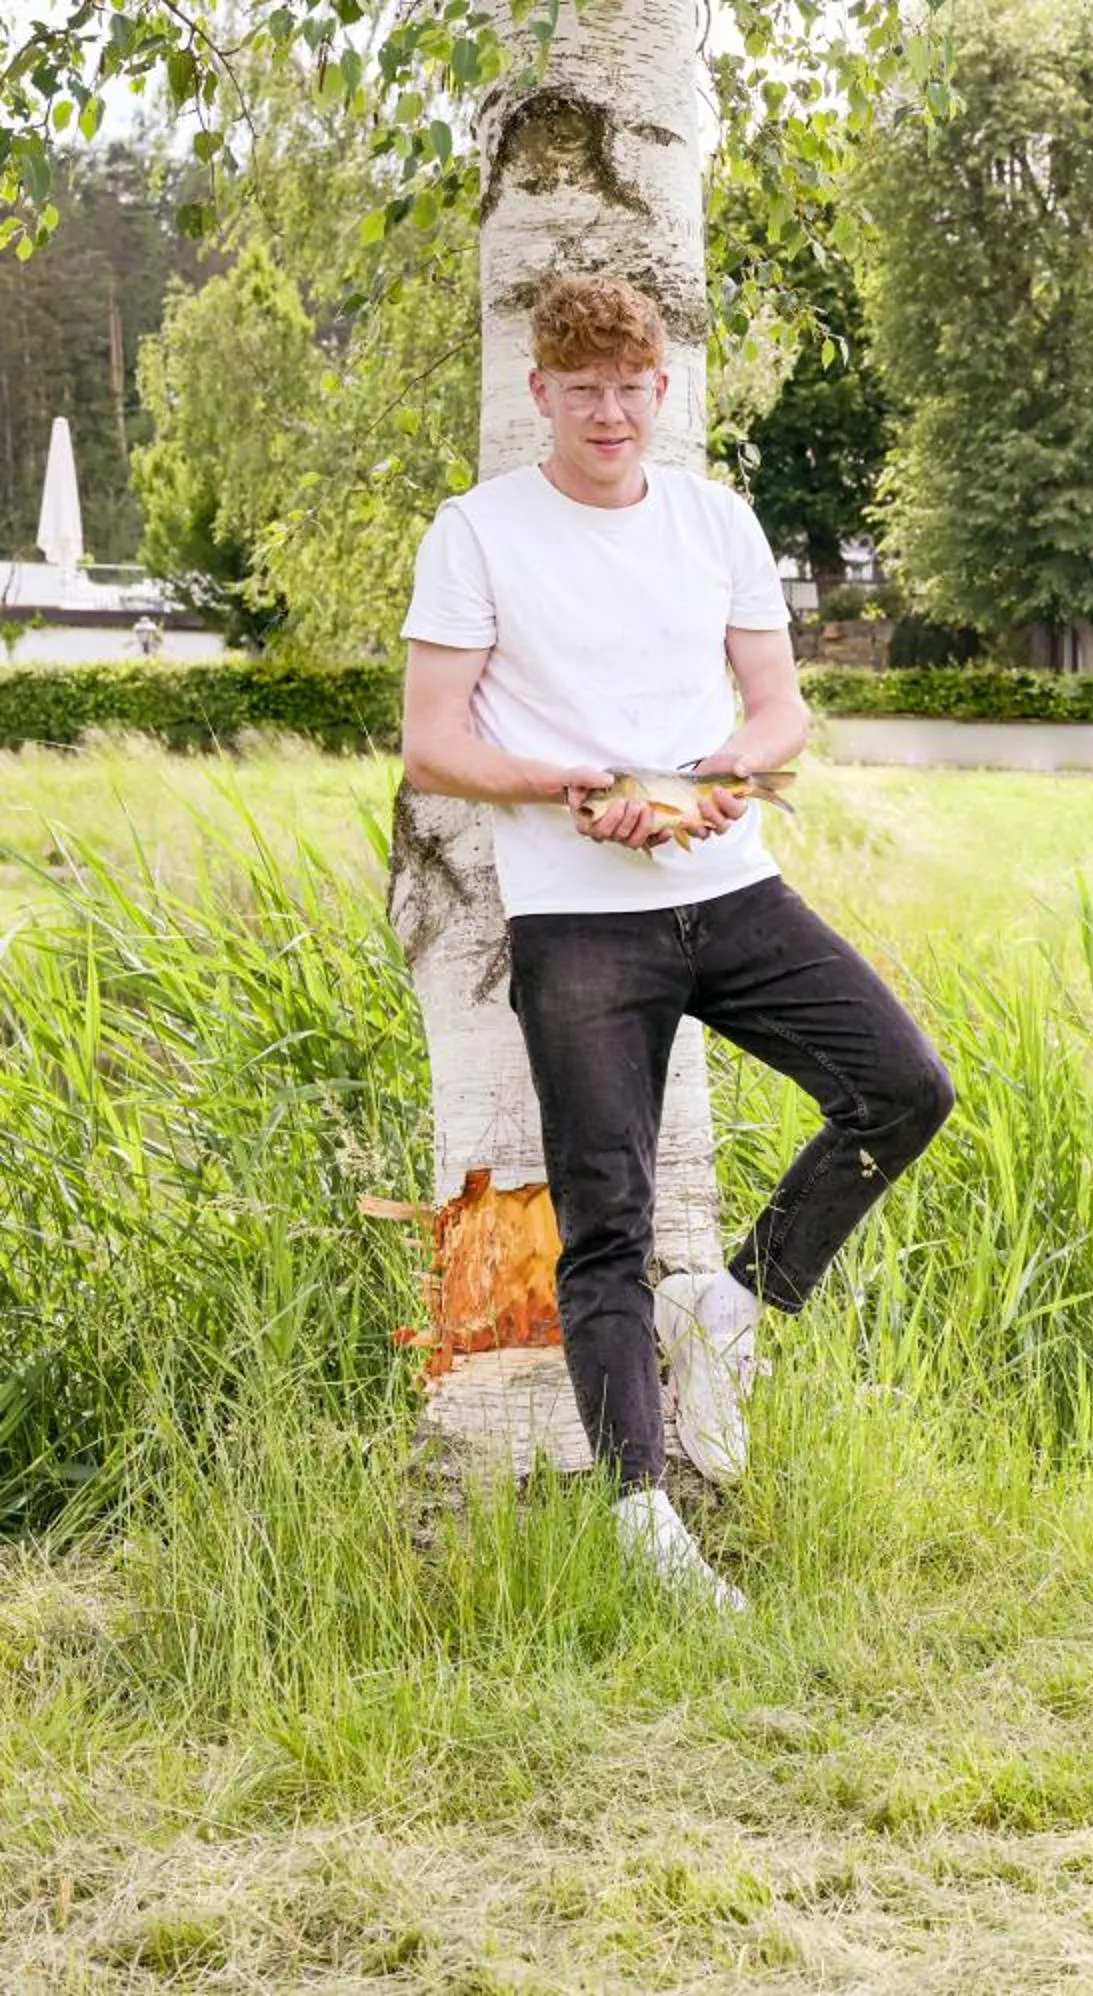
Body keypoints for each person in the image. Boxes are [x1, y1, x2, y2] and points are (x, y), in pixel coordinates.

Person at [398, 272, 953, 1612]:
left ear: (662, 390)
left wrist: (712, 774)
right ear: (539, 393)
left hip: (731, 886)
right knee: (606, 1228)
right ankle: (645, 1521)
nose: (606, 410)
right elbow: (435, 741)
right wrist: (574, 789)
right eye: (578, 387)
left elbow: (780, 712)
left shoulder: (715, 520)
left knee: (904, 1087)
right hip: (578, 920)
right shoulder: (479, 533)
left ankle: (739, 1301)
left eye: (628, 386)